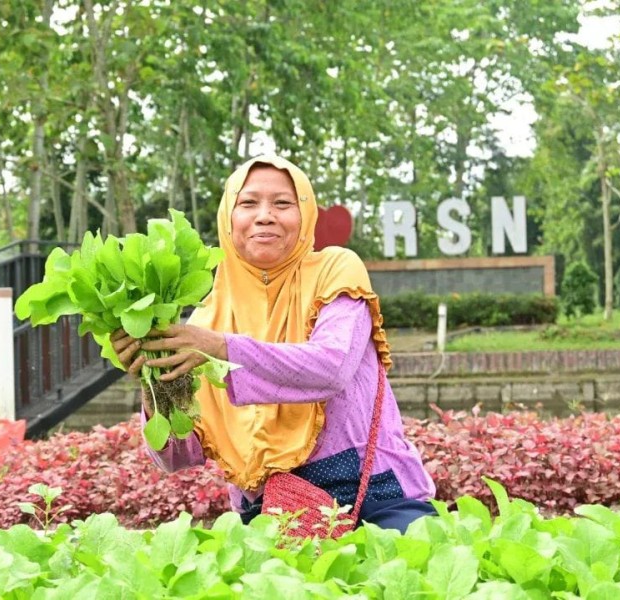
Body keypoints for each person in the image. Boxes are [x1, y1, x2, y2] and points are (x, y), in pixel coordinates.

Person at [110, 155, 435, 532]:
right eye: (248, 203)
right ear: (228, 218)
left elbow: (332, 367)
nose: (265, 216)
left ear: (305, 214)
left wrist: (221, 348)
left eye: (282, 203)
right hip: (272, 511)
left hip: (374, 495)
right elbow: (177, 457)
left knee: (423, 560)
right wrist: (153, 381)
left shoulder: (335, 270)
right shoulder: (205, 321)